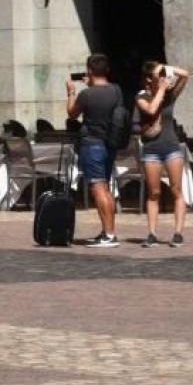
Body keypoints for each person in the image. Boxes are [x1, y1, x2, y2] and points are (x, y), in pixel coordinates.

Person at [67, 54, 125, 248]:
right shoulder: (116, 91)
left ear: (90, 71)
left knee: (98, 188)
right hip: (110, 143)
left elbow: (72, 113)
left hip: (92, 144)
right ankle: (108, 231)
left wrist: (71, 92)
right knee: (105, 187)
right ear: (107, 70)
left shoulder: (86, 95)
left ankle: (109, 235)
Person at [137, 62, 192, 248]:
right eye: (156, 75)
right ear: (148, 79)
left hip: (171, 147)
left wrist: (165, 67)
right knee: (154, 192)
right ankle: (152, 233)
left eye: (162, 75)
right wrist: (160, 89)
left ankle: (178, 233)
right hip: (152, 149)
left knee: (176, 190)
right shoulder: (142, 96)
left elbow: (185, 74)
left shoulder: (169, 95)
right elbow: (151, 109)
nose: (162, 78)